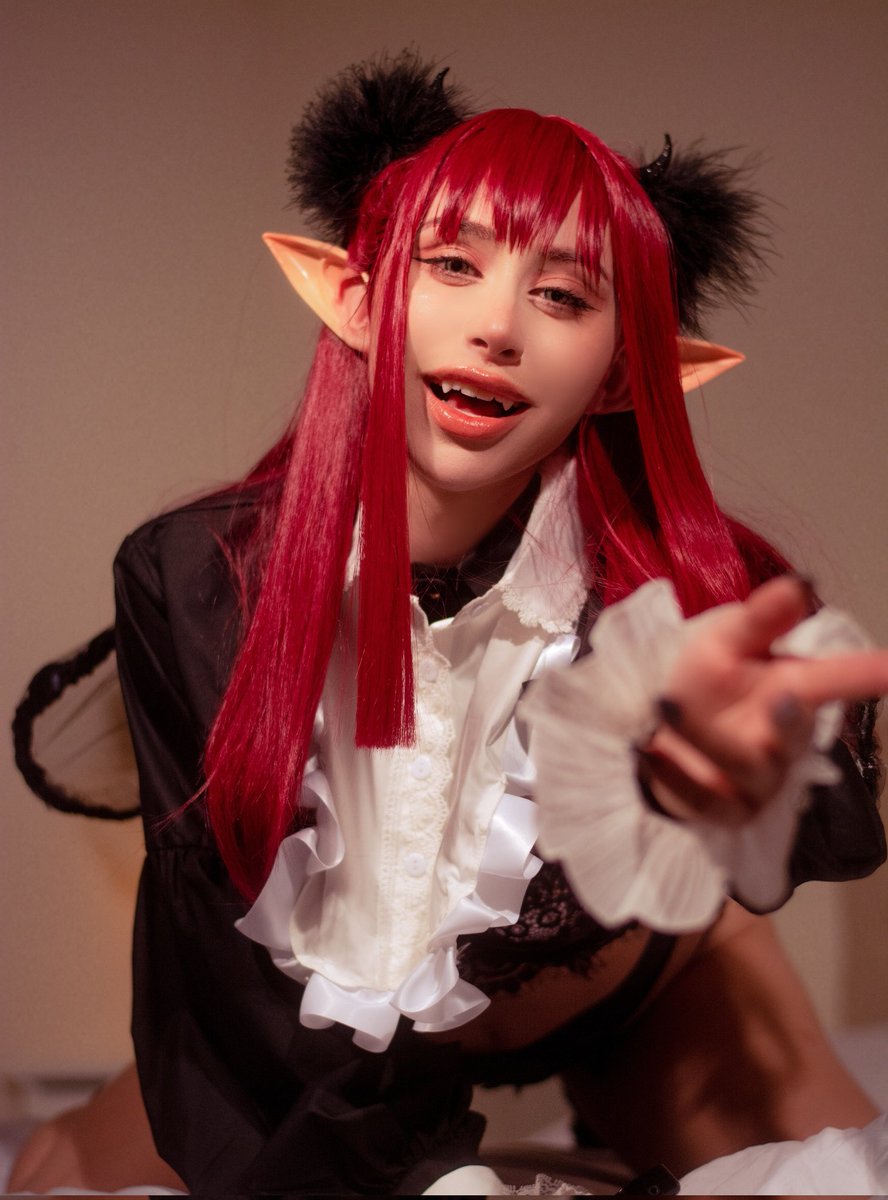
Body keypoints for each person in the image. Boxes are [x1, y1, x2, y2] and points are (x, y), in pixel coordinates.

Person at [10, 54, 888, 1196]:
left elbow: (818, 810)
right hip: (320, 1025)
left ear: (623, 375)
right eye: (454, 265)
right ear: (356, 296)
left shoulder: (667, 601)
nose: (498, 327)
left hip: (640, 991)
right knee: (53, 1176)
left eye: (563, 296)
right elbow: (216, 952)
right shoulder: (194, 581)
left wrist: (750, 778)